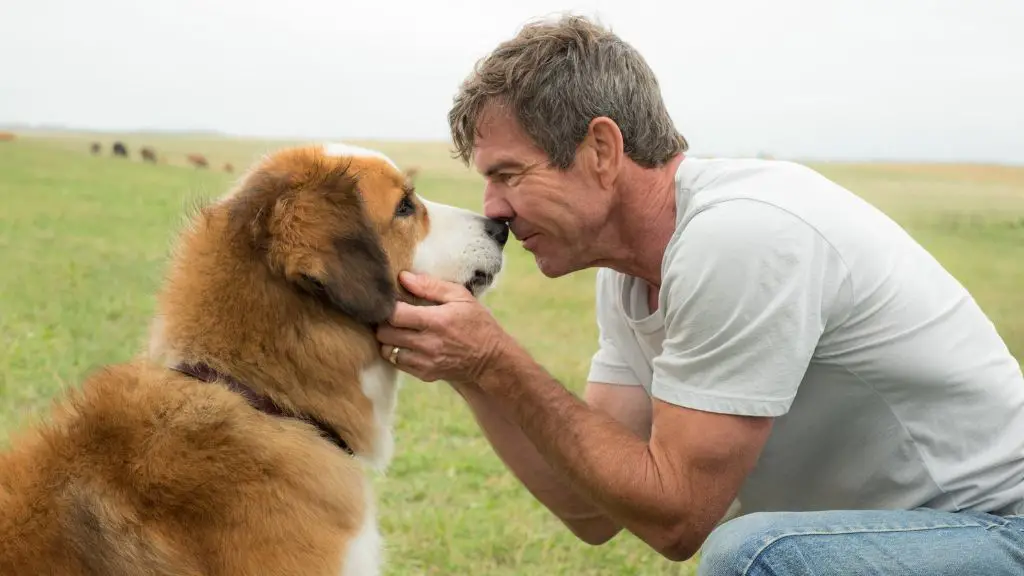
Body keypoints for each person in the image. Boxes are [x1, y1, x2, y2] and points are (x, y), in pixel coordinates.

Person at [375, 14, 1024, 575]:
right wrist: (467, 373)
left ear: (601, 148)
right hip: (899, 544)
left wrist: (495, 359)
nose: (494, 210)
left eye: (509, 175)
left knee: (758, 557)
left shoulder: (741, 235)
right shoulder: (632, 275)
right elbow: (594, 509)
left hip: (999, 530)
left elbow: (678, 519)